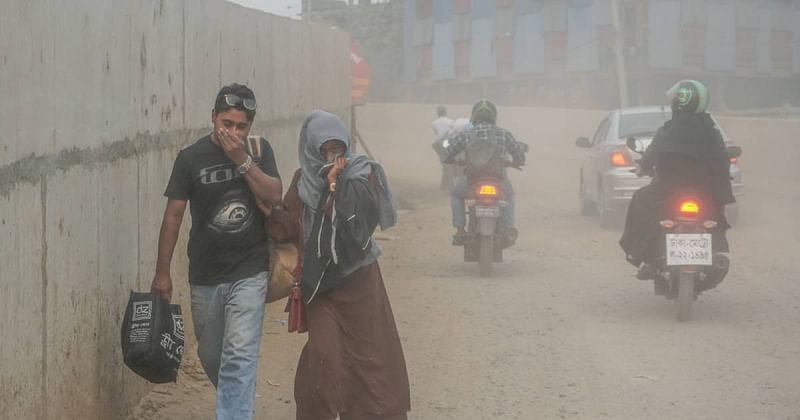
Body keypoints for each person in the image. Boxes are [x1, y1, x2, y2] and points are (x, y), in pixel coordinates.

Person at [150, 83, 282, 420]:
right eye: (226, 123)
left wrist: (242, 160)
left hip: (250, 271)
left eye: (241, 126)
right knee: (212, 356)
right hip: (205, 275)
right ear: (212, 118)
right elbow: (173, 217)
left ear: (249, 127)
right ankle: (237, 403)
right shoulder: (190, 158)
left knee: (239, 355)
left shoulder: (258, 149)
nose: (233, 132)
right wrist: (162, 272)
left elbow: (274, 195)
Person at [273, 110, 411, 420]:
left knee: (369, 359)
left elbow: (359, 230)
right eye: (324, 149)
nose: (331, 155)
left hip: (359, 281)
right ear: (311, 149)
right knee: (324, 355)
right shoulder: (302, 181)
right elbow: (286, 226)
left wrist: (336, 187)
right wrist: (270, 205)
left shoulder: (363, 175)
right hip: (321, 287)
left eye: (337, 148)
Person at [620, 80, 734, 279]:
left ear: (678, 103)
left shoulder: (669, 129)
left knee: (641, 199)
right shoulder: (712, 131)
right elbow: (722, 160)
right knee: (715, 214)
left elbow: (652, 153)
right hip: (706, 193)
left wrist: (641, 168)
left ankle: (643, 255)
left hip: (669, 190)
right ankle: (716, 253)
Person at [442, 99, 526, 245]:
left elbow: (449, 152)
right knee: (509, 195)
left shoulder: (466, 134)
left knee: (456, 194)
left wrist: (451, 160)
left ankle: (460, 229)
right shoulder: (503, 133)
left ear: (474, 116)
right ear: (494, 116)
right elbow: (518, 154)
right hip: (498, 179)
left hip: (472, 180)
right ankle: (507, 229)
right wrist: (517, 162)